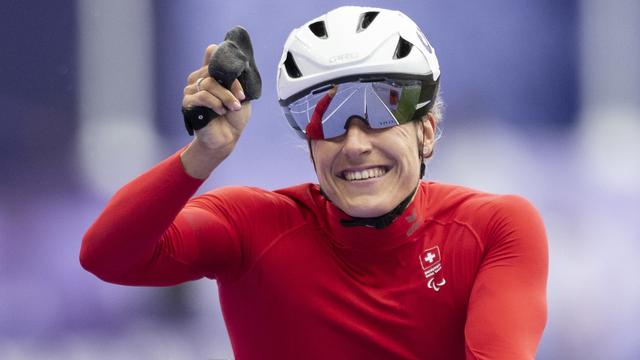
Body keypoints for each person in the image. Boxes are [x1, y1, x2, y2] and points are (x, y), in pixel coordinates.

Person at [80, 6, 548, 359]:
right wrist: (204, 153)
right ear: (309, 145)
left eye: (381, 115)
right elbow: (106, 256)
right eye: (329, 122)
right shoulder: (251, 225)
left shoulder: (495, 227)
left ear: (426, 132)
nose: (355, 144)